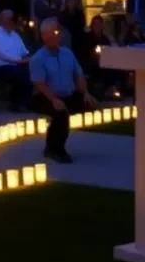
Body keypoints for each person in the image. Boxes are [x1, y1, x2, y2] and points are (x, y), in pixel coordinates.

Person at [30, 18, 97, 163]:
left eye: (58, 32)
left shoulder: (67, 53)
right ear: (44, 36)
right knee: (61, 113)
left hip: (68, 94)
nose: (57, 35)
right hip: (44, 96)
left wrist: (85, 92)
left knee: (90, 102)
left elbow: (78, 74)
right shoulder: (38, 58)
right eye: (53, 32)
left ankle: (54, 144)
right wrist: (53, 100)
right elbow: (39, 83)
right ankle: (56, 149)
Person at [0, 9, 31, 109]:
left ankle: (27, 102)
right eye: (9, 19)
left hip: (17, 65)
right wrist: (20, 61)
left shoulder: (15, 35)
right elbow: (3, 56)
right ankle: (17, 104)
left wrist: (28, 58)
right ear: (2, 20)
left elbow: (24, 52)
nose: (12, 22)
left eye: (12, 19)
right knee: (20, 73)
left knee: (31, 71)